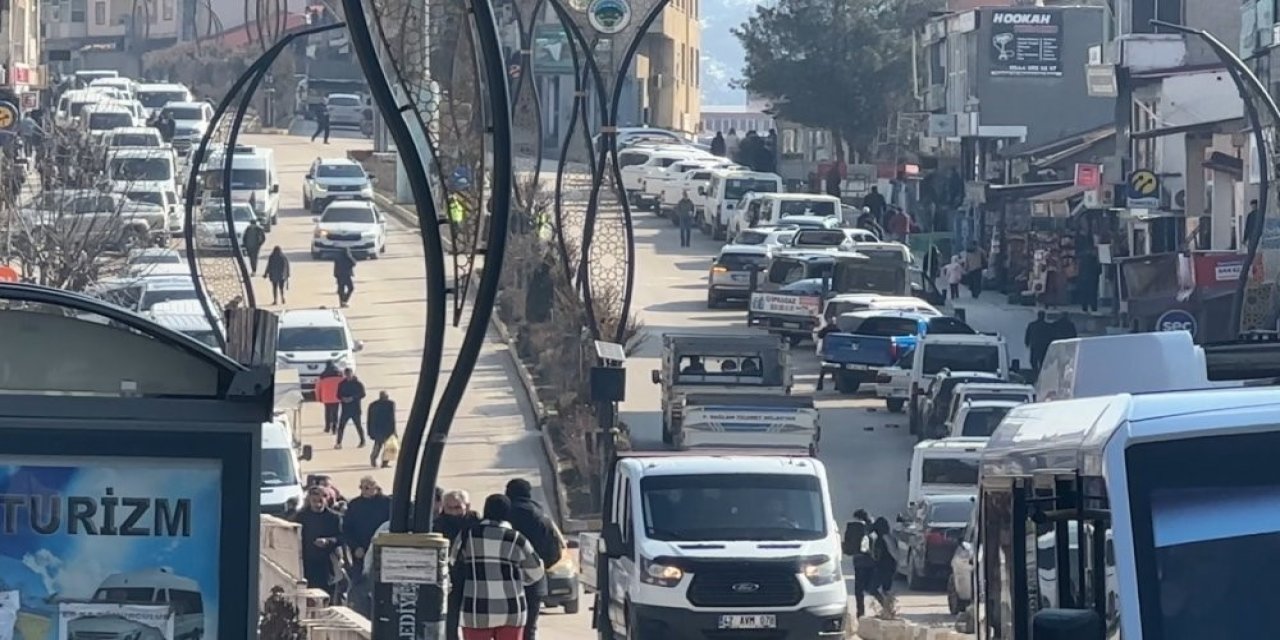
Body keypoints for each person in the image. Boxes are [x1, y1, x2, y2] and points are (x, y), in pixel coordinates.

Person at [451, 494, 546, 640]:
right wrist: (520, 580)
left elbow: (452, 560)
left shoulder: (467, 535)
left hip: (476, 608)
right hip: (512, 609)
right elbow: (536, 571)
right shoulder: (516, 538)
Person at [505, 478, 563, 640]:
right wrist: (540, 567)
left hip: (504, 580)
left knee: (506, 628)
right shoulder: (541, 516)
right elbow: (555, 550)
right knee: (529, 627)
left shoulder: (504, 515)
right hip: (535, 580)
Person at [440, 489, 482, 640]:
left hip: (474, 576)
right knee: (450, 618)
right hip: (450, 577)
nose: (453, 513)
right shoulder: (438, 525)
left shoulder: (477, 525)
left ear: (467, 506)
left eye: (457, 508)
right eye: (449, 508)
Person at [293, 486, 345, 598]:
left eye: (320, 500)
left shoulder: (334, 518)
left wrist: (328, 541)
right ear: (309, 500)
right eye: (314, 501)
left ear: (326, 499)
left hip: (327, 565)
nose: (317, 504)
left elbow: (342, 538)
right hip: (307, 564)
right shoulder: (301, 517)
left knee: (328, 597)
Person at [343, 476, 391, 583]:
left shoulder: (387, 503)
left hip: (382, 550)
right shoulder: (354, 505)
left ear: (375, 487)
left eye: (367, 487)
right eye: (361, 487)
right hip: (361, 551)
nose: (363, 490)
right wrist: (355, 547)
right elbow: (347, 529)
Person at [842, 510, 875, 618]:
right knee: (870, 587)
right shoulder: (871, 527)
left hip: (858, 561)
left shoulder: (853, 528)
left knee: (859, 589)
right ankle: (886, 605)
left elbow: (848, 546)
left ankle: (860, 612)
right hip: (870, 561)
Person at [867, 516, 898, 612]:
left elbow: (877, 556)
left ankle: (887, 607)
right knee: (886, 589)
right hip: (891, 567)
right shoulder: (890, 537)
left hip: (882, 567)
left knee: (872, 589)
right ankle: (889, 608)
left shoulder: (881, 540)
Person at [336, 368, 367, 449]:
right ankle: (338, 443)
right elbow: (338, 395)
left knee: (358, 426)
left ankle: (362, 441)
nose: (348, 376)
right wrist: (342, 398)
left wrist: (353, 398)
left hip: (355, 409)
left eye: (349, 374)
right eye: (347, 375)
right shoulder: (342, 384)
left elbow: (363, 394)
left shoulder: (358, 384)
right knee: (341, 426)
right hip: (345, 409)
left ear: (352, 374)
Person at [367, 390, 397, 468]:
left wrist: (370, 431)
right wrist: (394, 431)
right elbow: (392, 418)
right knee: (389, 447)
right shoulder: (390, 404)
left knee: (378, 445)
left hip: (377, 429)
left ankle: (374, 459)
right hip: (387, 429)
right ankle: (384, 463)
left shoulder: (373, 405)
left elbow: (369, 419)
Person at [315, 362, 342, 434]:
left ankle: (327, 427)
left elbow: (318, 388)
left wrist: (318, 398)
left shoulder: (322, 376)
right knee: (335, 413)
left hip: (326, 397)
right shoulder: (339, 374)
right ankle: (334, 428)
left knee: (327, 412)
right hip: (337, 397)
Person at [1078, 248, 1102, 313]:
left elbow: (1080, 269)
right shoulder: (1095, 259)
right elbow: (1099, 270)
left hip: (1084, 277)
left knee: (1084, 293)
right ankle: (1093, 307)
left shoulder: (1083, 258)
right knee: (1093, 293)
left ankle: (1084, 307)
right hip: (1093, 278)